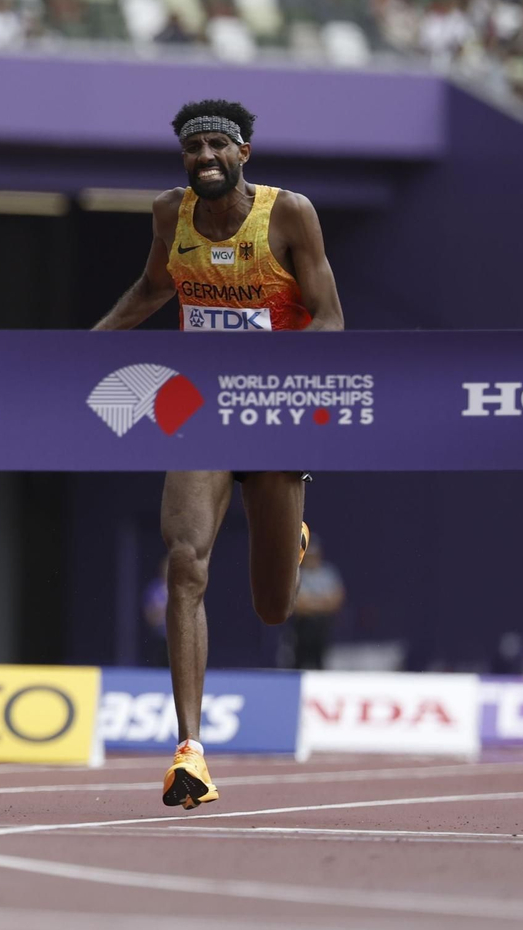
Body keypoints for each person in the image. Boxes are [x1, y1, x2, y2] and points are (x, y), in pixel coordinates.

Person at [94, 98, 344, 808]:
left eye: (217, 147)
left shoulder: (289, 214)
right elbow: (152, 288)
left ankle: (287, 537)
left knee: (272, 608)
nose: (205, 159)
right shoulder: (169, 215)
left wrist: (283, 378)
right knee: (184, 562)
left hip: (271, 411)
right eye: (193, 149)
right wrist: (88, 348)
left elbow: (330, 317)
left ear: (244, 153)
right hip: (199, 408)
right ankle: (191, 753)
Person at [290, 534, 344, 670]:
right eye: (309, 555)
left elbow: (336, 601)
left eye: (314, 555)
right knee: (299, 660)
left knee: (322, 660)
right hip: (302, 628)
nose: (312, 559)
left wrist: (310, 603)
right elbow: (296, 605)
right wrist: (321, 602)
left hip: (324, 628)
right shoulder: (297, 574)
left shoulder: (328, 573)